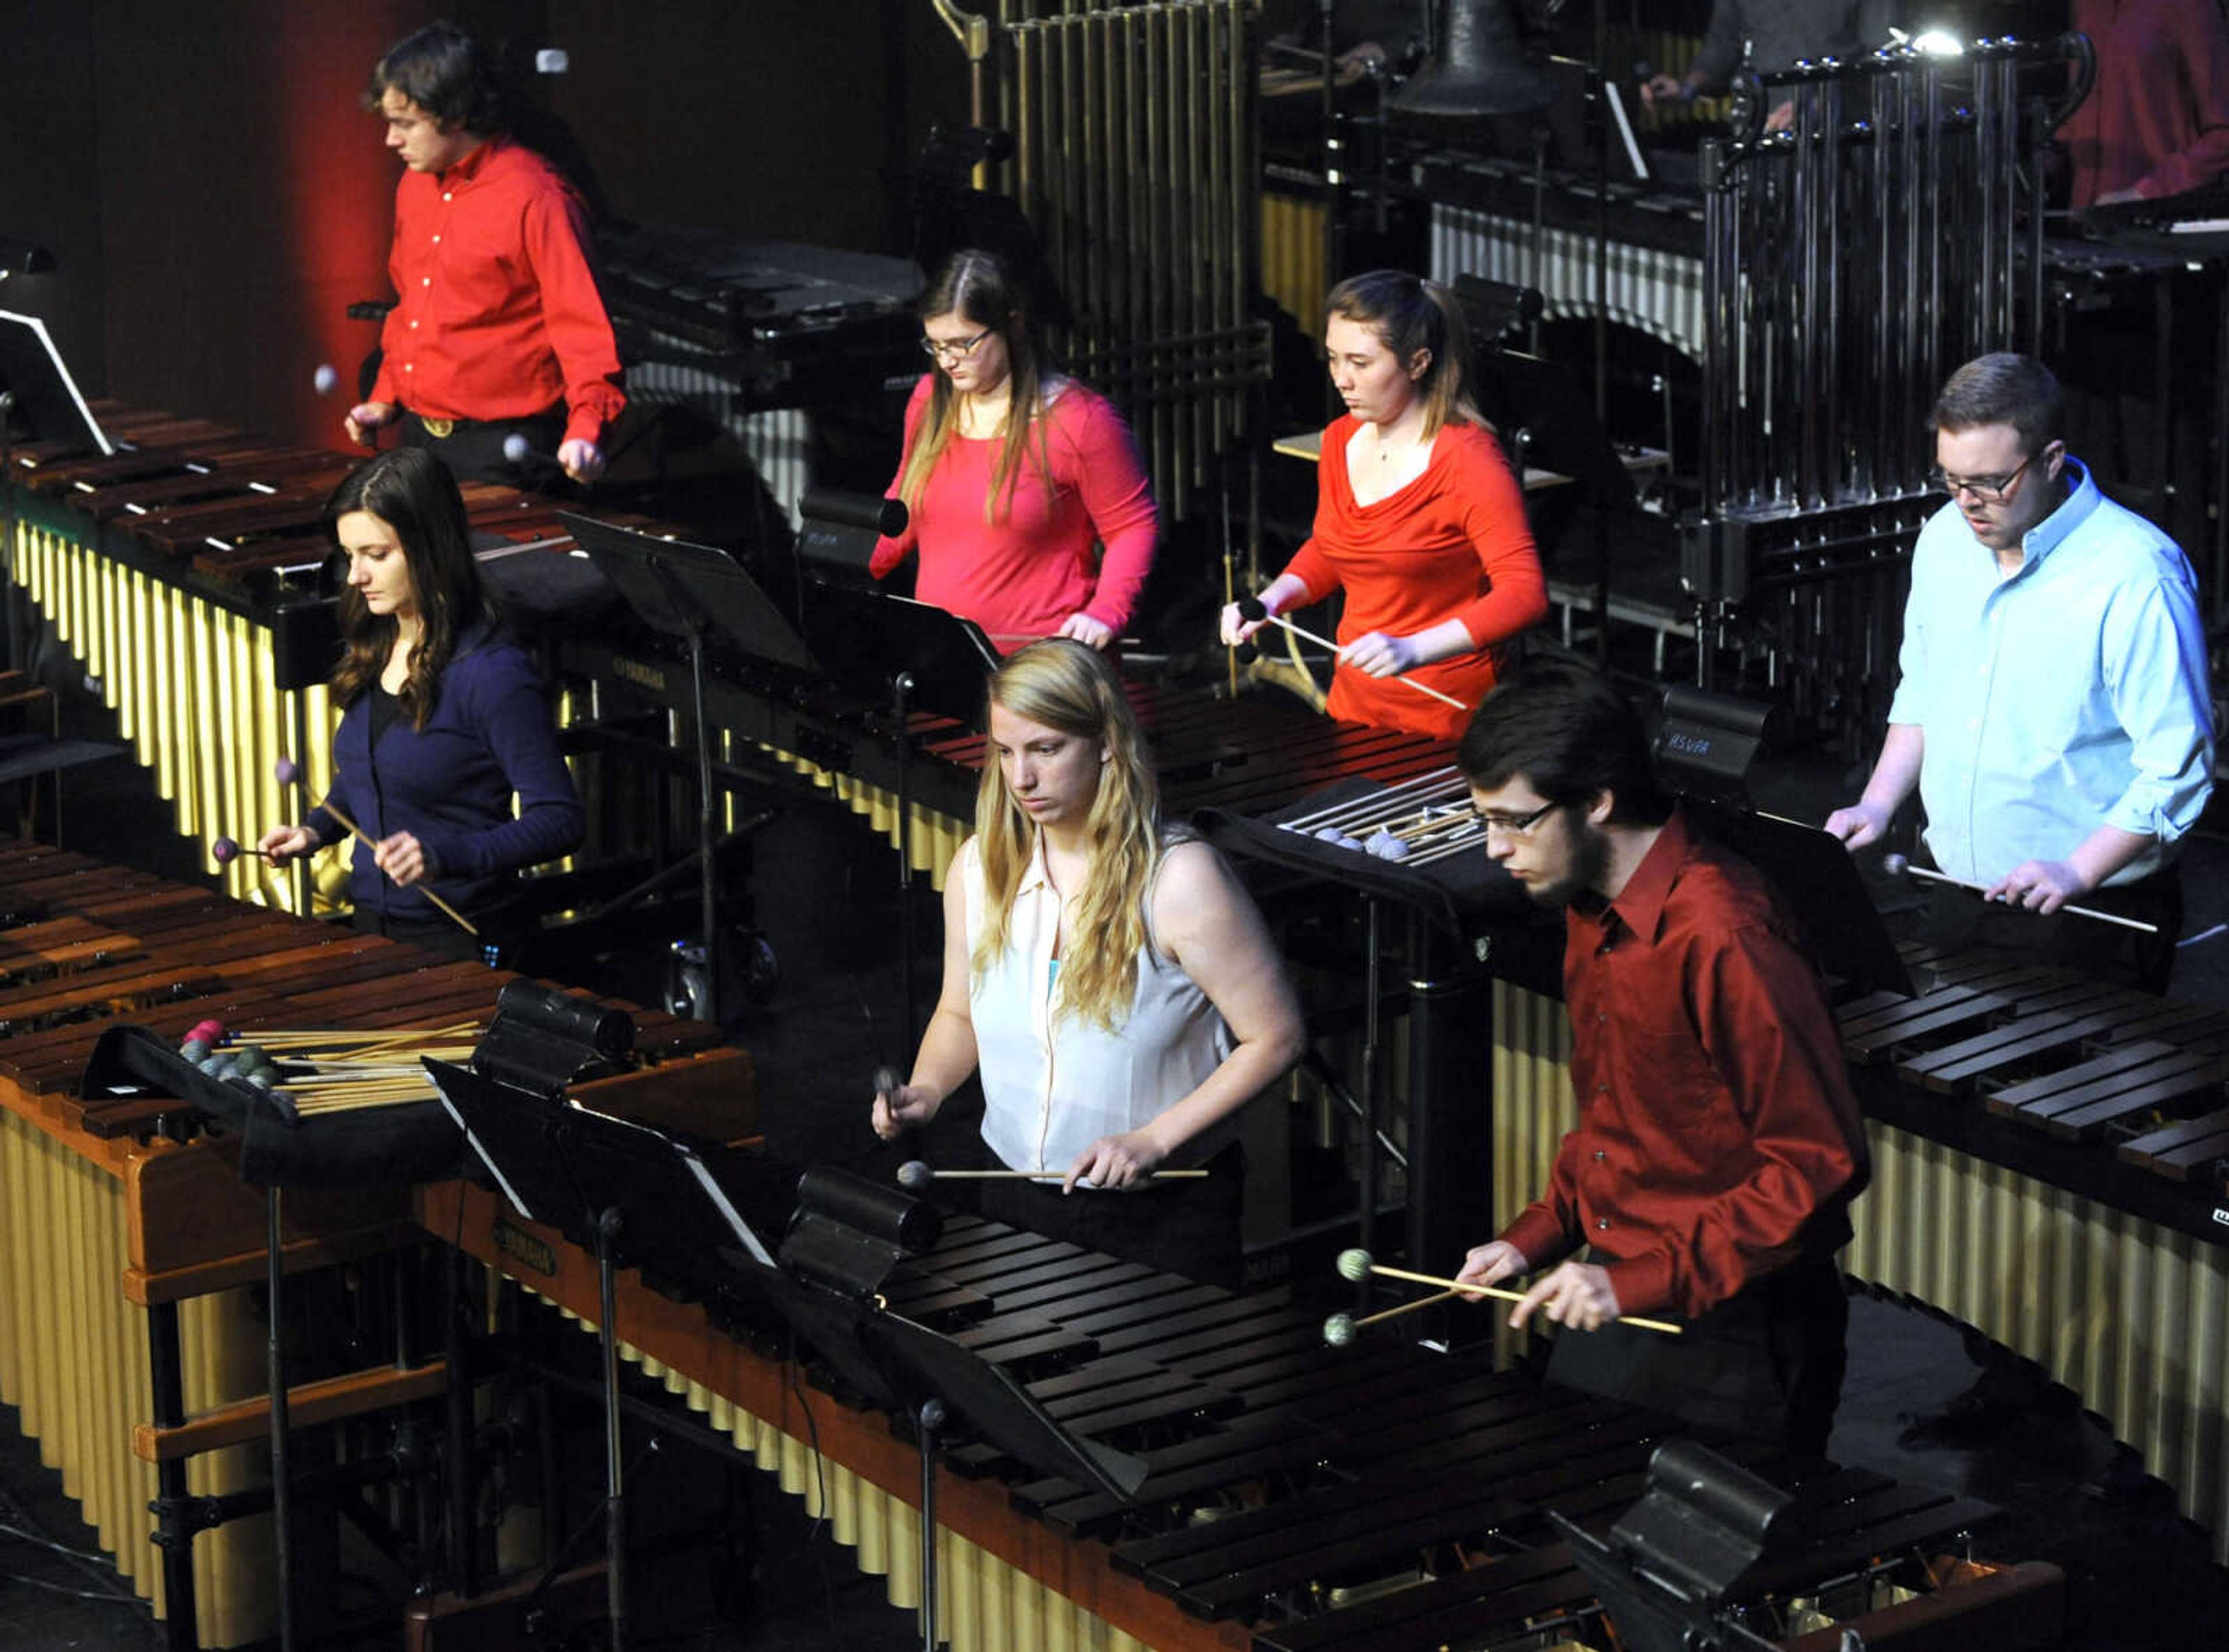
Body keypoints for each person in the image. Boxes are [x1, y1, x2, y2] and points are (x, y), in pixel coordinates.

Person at [1452, 660, 1869, 1460]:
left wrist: (1634, 1281)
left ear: (1598, 802)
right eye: (1484, 820)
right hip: (1622, 1291)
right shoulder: (1588, 903)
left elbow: (1817, 1164)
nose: (1493, 849)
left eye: (1514, 821)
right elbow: (1623, 1116)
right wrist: (1538, 1233)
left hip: (1736, 1332)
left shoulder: (1727, 935)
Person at [868, 640, 1305, 1286]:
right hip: (1012, 1190)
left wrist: (1155, 1139)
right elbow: (960, 1009)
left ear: (1105, 743)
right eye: (1006, 751)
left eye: (1046, 749)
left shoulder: (1180, 880)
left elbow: (1276, 1036)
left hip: (1160, 1210)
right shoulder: (980, 870)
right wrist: (928, 1089)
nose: (1021, 778)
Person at [1823, 353, 2212, 991]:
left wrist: (2077, 871)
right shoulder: (1945, 538)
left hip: (2087, 916)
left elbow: (2178, 768)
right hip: (1952, 891)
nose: (1968, 503)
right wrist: (1880, 799)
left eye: (1989, 482)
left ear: (2052, 460)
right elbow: (1923, 688)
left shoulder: (2137, 576)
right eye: (1951, 479)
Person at [258, 449, 584, 960]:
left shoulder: (492, 675)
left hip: (465, 941)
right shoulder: (373, 643)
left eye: (376, 555)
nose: (354, 577)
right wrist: (315, 830)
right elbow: (373, 773)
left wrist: (443, 858)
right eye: (350, 556)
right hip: (372, 931)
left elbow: (560, 819)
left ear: (430, 548)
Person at [1221, 270, 1546, 741]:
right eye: (1334, 359)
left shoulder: (1470, 462)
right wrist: (1271, 601)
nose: (1342, 379)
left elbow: (1525, 594)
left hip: (1448, 714)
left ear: (1417, 363)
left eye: (1360, 362)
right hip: (1356, 702)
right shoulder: (1339, 440)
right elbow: (1332, 548)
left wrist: (1415, 649)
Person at [345, 21, 625, 488]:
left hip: (504, 450)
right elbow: (414, 306)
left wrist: (587, 428)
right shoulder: (415, 186)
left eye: (405, 124)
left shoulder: (538, 198)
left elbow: (584, 332)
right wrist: (385, 397)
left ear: (454, 115)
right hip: (420, 438)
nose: (390, 140)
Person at [869, 250, 1157, 653]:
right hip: (943, 656)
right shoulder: (929, 400)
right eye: (935, 346)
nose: (948, 361)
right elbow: (905, 505)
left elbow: (1133, 527)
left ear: (1012, 325)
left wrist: (1106, 611)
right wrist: (837, 563)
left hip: (1039, 667)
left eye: (962, 344)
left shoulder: (1081, 422)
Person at [2064, 1, 2229, 209]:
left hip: (2153, 225)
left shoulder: (2191, 6)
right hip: (2080, 225)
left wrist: (2150, 190)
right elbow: (2078, 116)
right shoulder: (2085, 6)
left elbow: (2224, 133)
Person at [1640, 1, 1887, 132]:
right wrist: (1686, 89)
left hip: (1839, 143)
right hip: (1758, 134)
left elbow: (1883, 65)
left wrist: (1822, 105)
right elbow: (1721, 52)